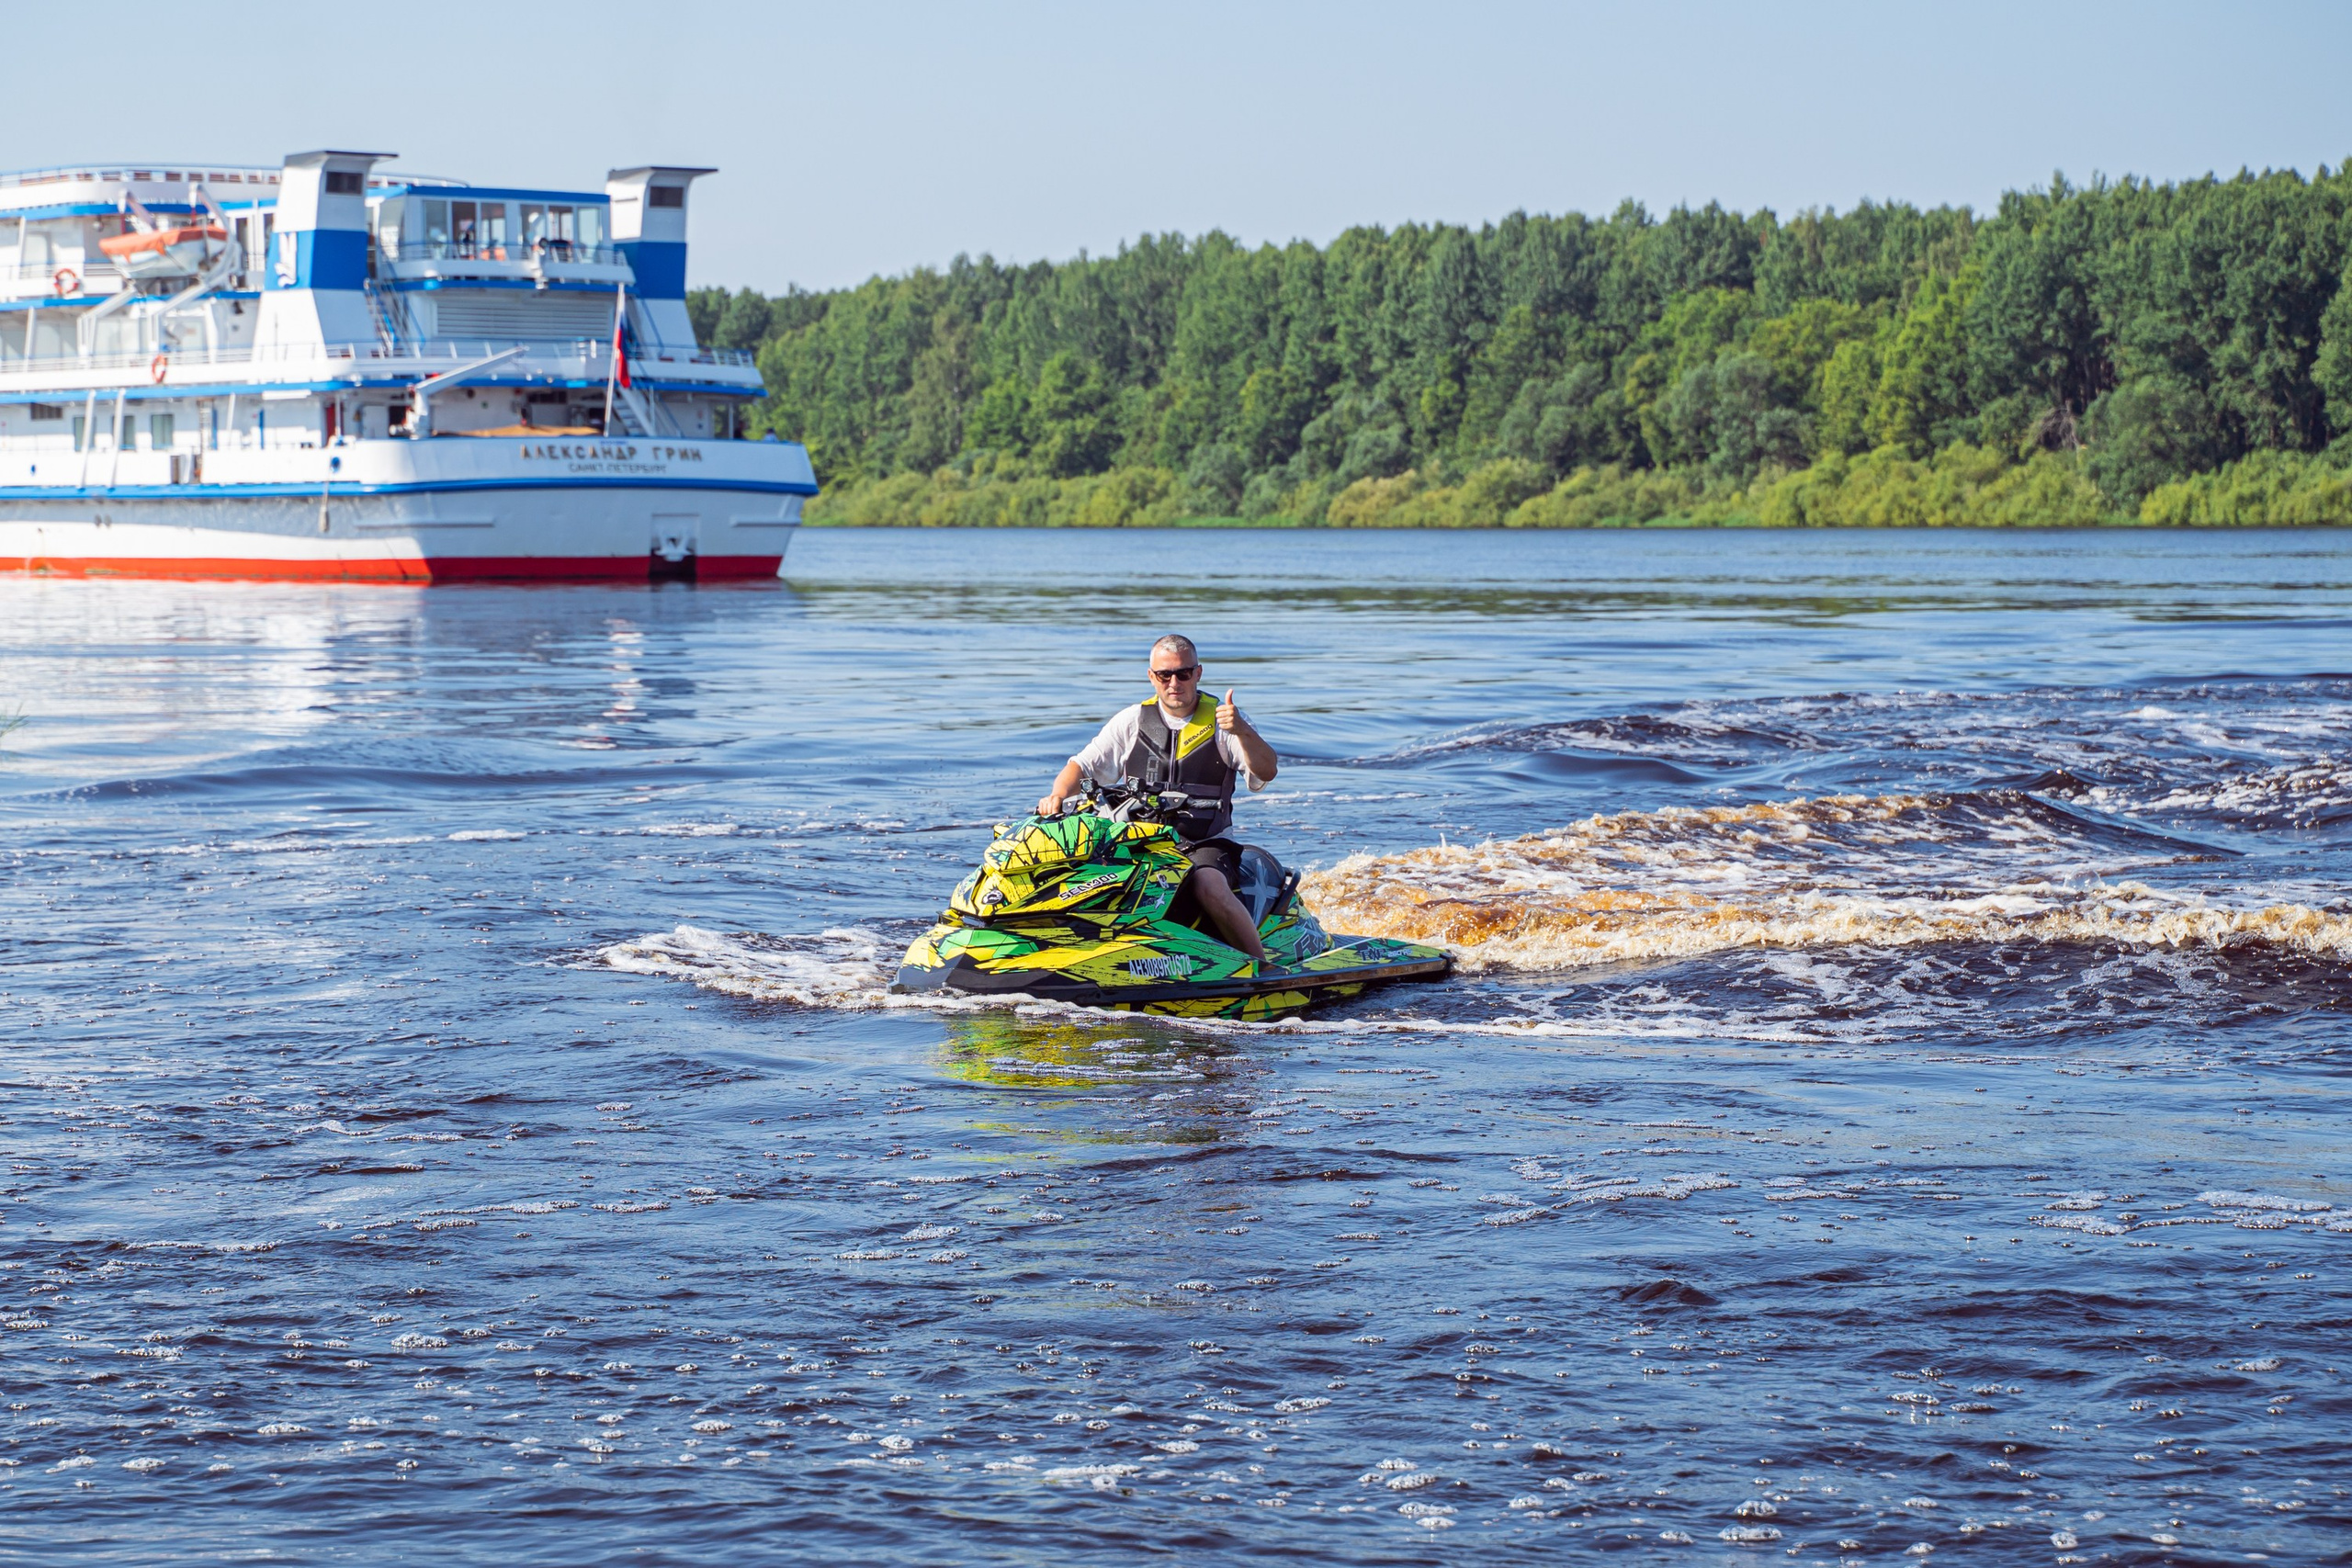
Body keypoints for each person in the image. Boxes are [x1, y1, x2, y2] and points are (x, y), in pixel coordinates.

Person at [1037, 634, 1281, 967]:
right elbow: (1081, 766)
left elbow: (1267, 771)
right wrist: (1057, 796)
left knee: (1207, 884)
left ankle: (1261, 967)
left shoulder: (1226, 721)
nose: (1174, 682)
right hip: (1138, 841)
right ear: (1152, 677)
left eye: (1183, 673)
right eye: (1165, 675)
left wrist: (1243, 731)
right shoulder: (1132, 720)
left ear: (1198, 673)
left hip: (1204, 842)